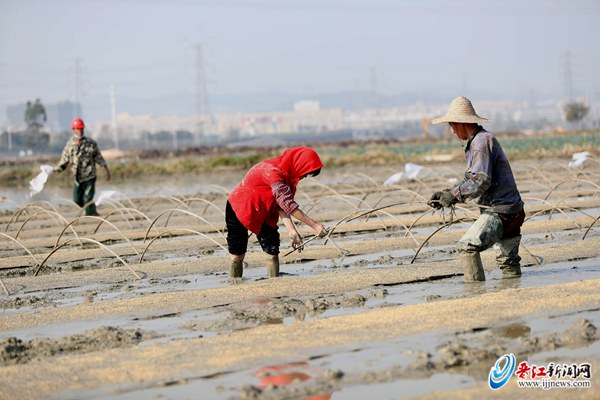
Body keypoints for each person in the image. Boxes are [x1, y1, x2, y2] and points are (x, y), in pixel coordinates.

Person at [427, 96, 525, 282]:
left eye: (452, 125)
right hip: (513, 210)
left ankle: (475, 296)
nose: (452, 131)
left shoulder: (480, 142)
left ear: (461, 123)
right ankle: (514, 299)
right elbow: (472, 179)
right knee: (508, 263)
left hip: (501, 212)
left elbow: (480, 181)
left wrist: (454, 196)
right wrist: (446, 193)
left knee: (467, 247)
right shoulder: (479, 141)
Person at [226, 146, 328, 278]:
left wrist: (291, 230)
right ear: (299, 164)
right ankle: (235, 284)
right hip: (240, 208)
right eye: (305, 172)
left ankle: (274, 284)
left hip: (265, 212)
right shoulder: (272, 170)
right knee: (237, 254)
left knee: (272, 251)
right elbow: (287, 204)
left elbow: (281, 205)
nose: (304, 177)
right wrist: (315, 226)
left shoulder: (289, 177)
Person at [54, 117, 111, 216]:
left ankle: (90, 217)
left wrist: (106, 170)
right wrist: (55, 170)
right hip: (77, 177)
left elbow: (99, 157)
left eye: (81, 129)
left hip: (89, 176)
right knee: (77, 200)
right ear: (74, 130)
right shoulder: (69, 145)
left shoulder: (91, 143)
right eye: (78, 129)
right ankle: (92, 211)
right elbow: (64, 161)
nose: (80, 131)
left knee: (87, 198)